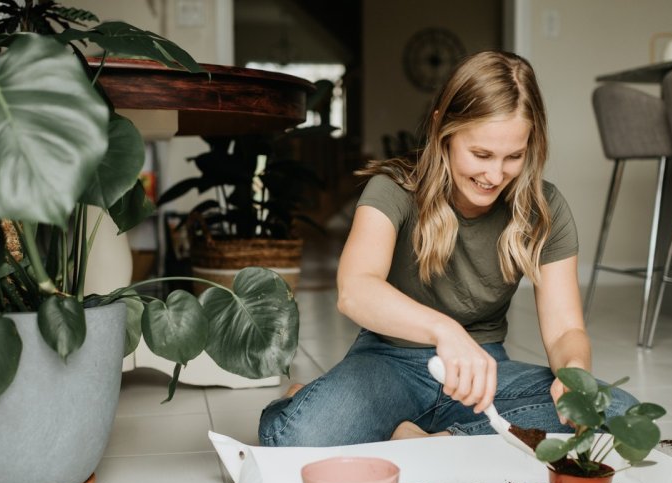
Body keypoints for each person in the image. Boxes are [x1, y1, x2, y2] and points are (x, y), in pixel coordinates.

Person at [258, 50, 638, 447]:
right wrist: (445, 331)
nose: (495, 175)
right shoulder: (394, 187)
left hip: (482, 374)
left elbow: (565, 329)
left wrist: (572, 375)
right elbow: (355, 290)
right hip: (389, 362)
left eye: (514, 157)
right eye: (481, 154)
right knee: (298, 436)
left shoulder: (546, 208)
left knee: (619, 416)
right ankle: (305, 400)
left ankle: (427, 439)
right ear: (444, 129)